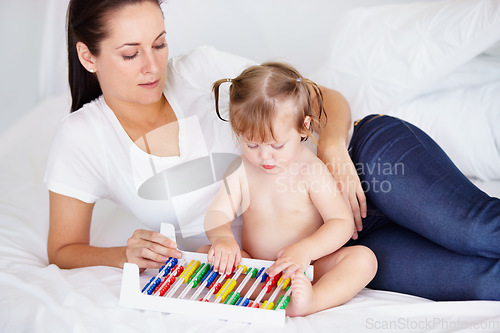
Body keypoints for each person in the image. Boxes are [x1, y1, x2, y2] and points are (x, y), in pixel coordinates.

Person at [46, 0, 499, 302]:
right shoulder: (83, 138)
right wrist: (123, 254)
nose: (153, 65)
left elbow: (324, 100)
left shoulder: (202, 70)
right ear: (89, 56)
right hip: (322, 253)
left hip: (361, 166)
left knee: (478, 233)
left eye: (160, 44)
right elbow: (64, 248)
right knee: (479, 281)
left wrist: (336, 150)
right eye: (131, 54)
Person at [201, 62, 377, 316]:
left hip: (310, 267)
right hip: (256, 267)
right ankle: (262, 292)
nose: (265, 157)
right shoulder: (240, 170)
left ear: (303, 126)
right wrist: (222, 239)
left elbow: (341, 222)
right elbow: (218, 213)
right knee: (205, 254)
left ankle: (312, 300)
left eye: (277, 145)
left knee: (364, 260)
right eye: (252, 145)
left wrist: (306, 251)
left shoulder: (311, 170)